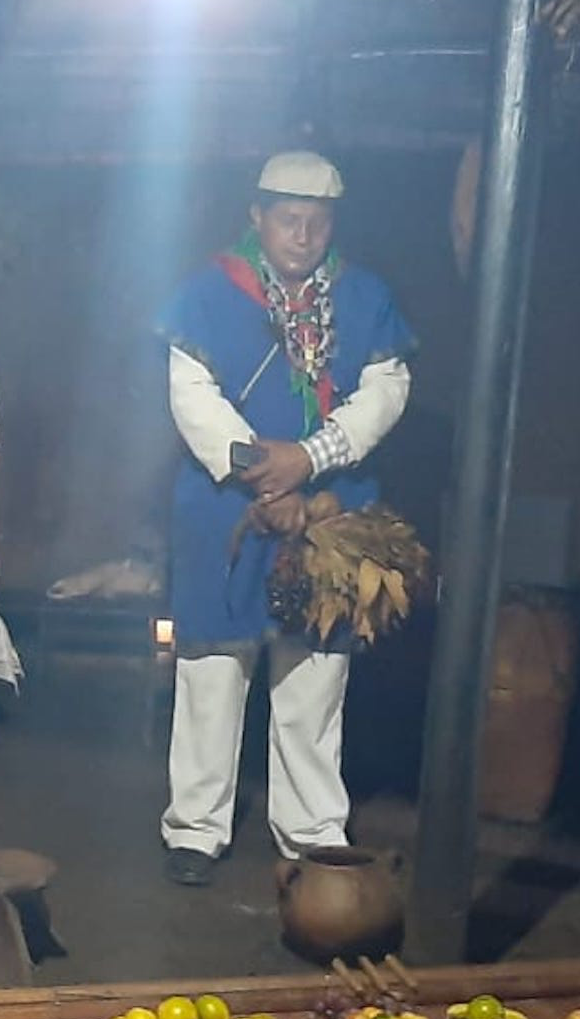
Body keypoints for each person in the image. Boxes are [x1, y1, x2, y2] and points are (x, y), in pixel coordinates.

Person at [157, 151, 416, 886]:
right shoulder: (206, 294)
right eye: (288, 220)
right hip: (224, 508)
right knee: (212, 666)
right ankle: (196, 828)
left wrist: (312, 457)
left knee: (316, 671)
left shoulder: (363, 295)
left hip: (332, 506)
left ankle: (310, 831)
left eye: (317, 222)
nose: (302, 236)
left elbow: (386, 387)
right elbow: (191, 393)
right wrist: (261, 476)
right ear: (257, 217)